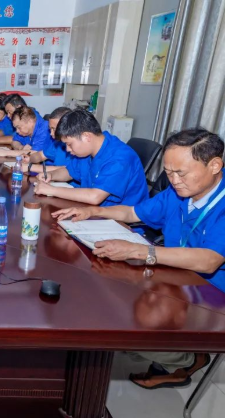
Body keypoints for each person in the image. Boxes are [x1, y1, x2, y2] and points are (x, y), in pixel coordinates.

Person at [53, 128, 224, 389]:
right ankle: (162, 352)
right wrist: (92, 211)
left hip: (212, 294)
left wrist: (139, 251)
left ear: (214, 166)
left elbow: (209, 261)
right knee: (105, 297)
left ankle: (186, 360)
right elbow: (133, 213)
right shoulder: (178, 192)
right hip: (176, 275)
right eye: (168, 172)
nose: (174, 180)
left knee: (127, 324)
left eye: (181, 173)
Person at [33, 109, 148, 206]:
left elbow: (95, 196)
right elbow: (69, 172)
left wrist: (52, 190)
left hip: (119, 221)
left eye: (69, 144)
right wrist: (51, 175)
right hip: (91, 211)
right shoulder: (87, 151)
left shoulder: (119, 158)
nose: (67, 149)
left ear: (86, 137)